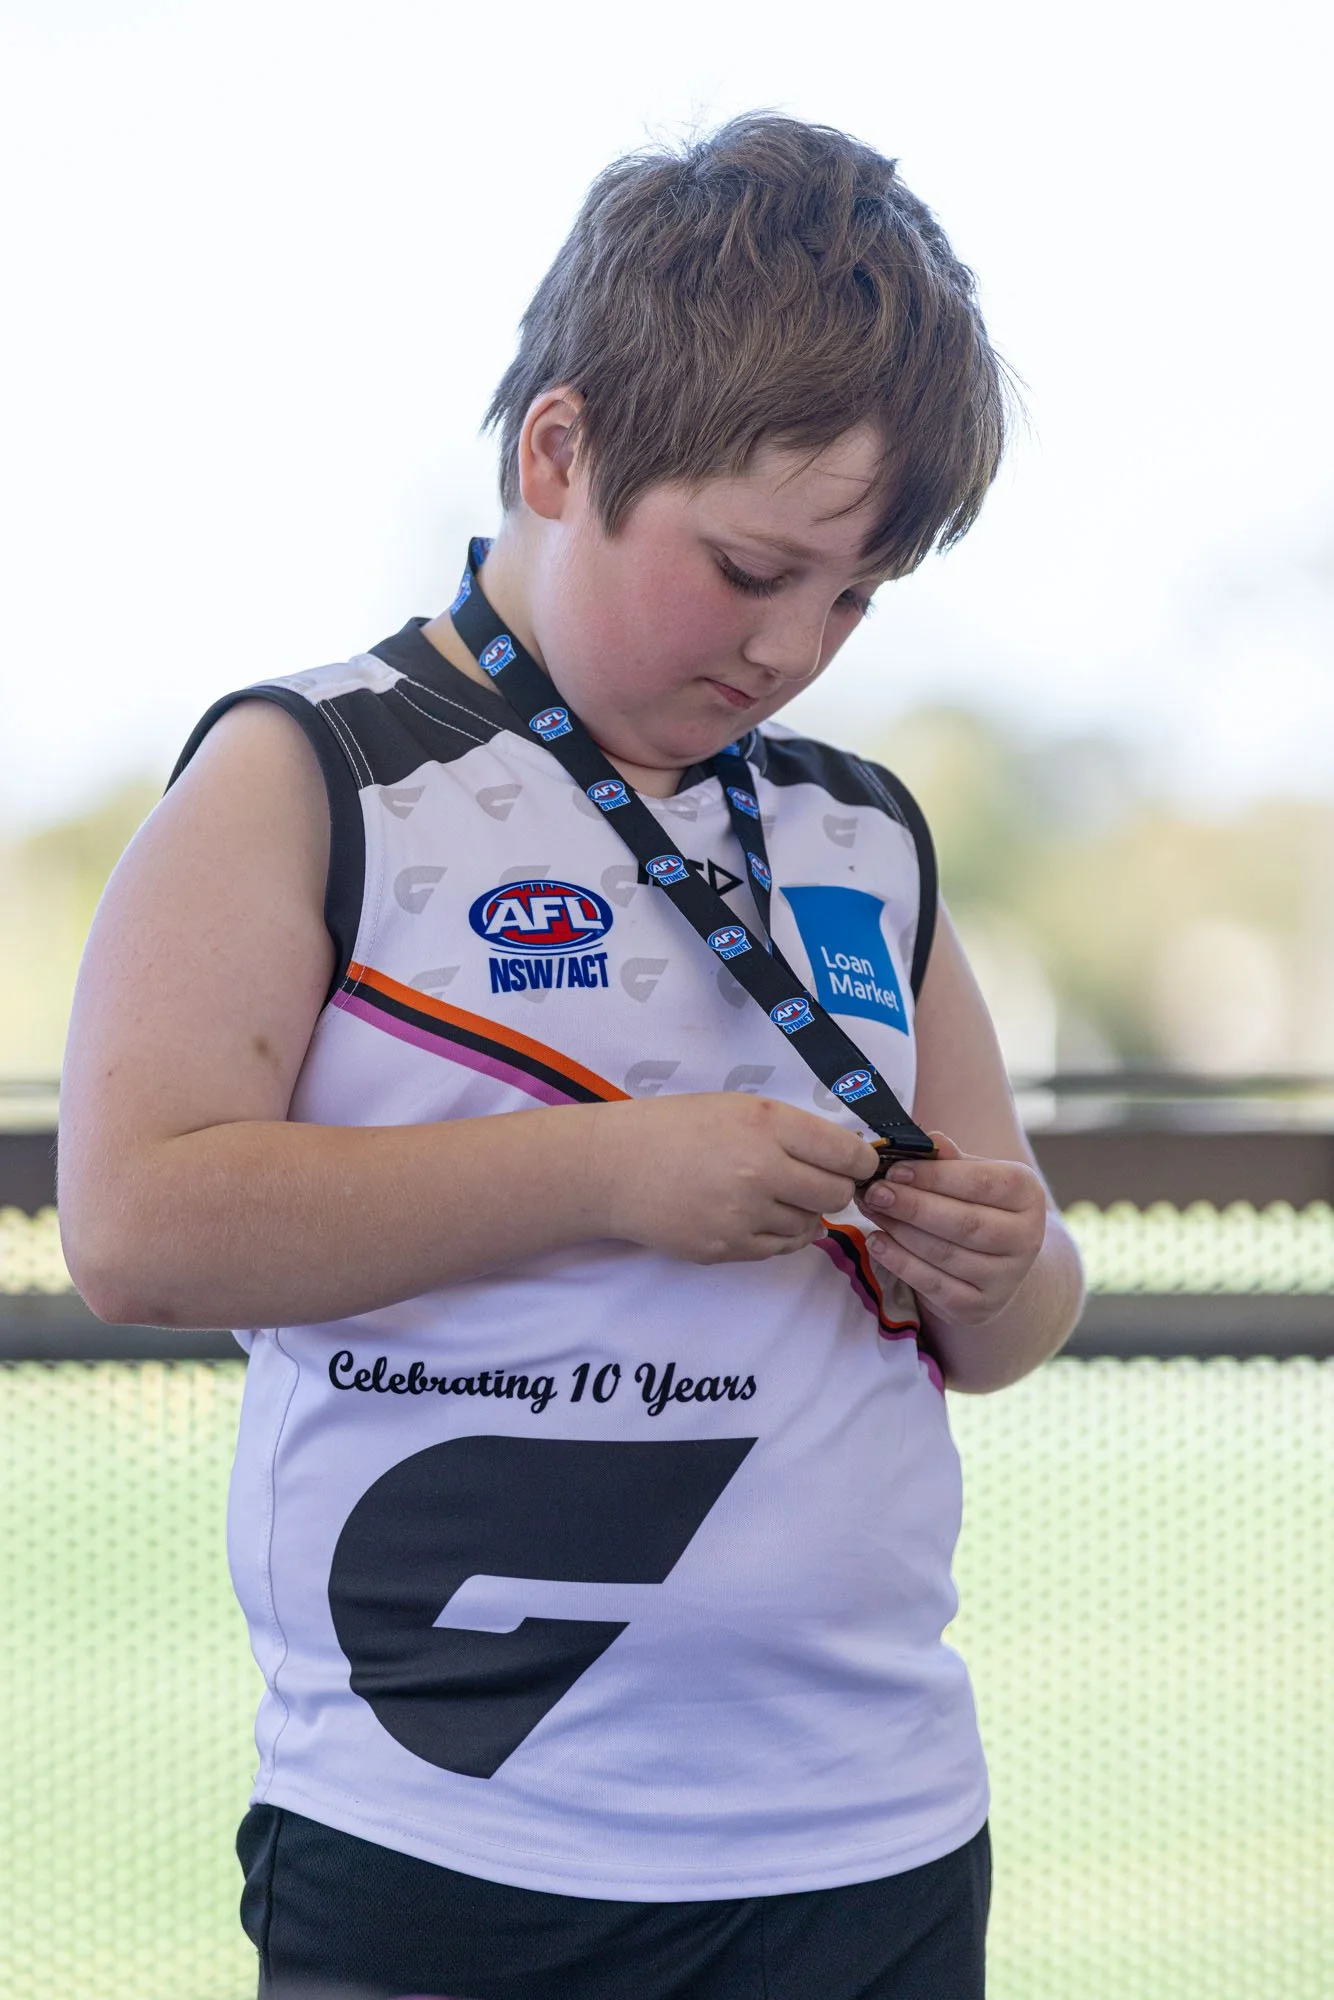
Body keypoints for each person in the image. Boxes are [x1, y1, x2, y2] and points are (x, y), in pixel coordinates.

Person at [58, 114, 1084, 2000]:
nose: (792, 648)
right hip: (450, 1835)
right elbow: (135, 1228)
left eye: (853, 597)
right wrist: (613, 1172)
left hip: (875, 1837)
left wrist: (1005, 1262)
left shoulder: (860, 829)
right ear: (559, 451)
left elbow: (1010, 1323)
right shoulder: (311, 771)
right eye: (750, 567)